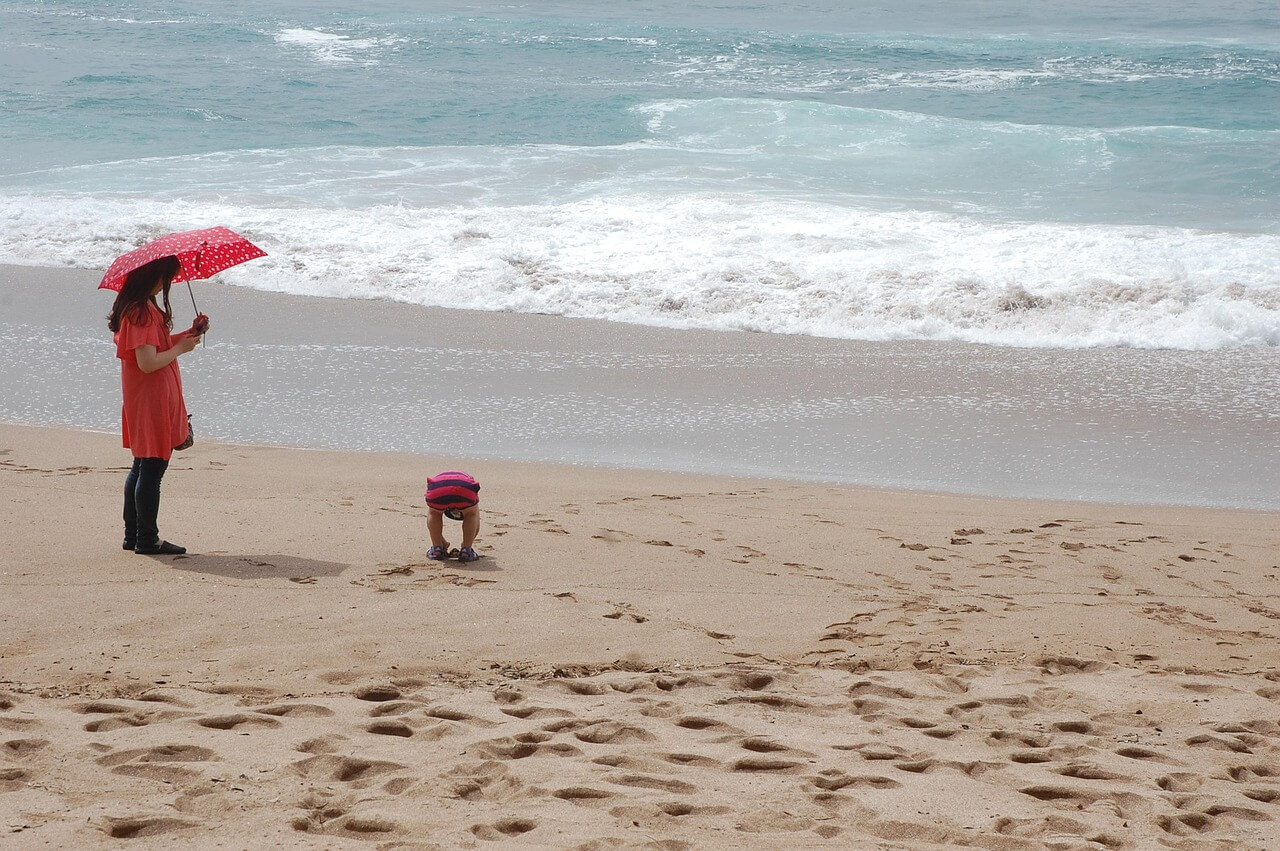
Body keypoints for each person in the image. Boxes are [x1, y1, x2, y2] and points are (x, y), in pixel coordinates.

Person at [107, 254, 209, 555]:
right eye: (169, 277)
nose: (171, 283)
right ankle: (147, 539)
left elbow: (156, 345)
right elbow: (148, 362)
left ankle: (134, 534)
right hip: (150, 397)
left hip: (148, 395)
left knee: (142, 465)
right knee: (152, 467)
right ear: (154, 276)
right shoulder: (139, 311)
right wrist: (181, 348)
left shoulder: (143, 306)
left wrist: (189, 335)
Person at [424, 470, 481, 562]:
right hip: (464, 487)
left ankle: (437, 549)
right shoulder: (469, 492)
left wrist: (442, 542)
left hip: (438, 487)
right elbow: (476, 527)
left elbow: (432, 527)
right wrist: (465, 544)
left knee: (434, 513)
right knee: (471, 514)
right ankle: (466, 551)